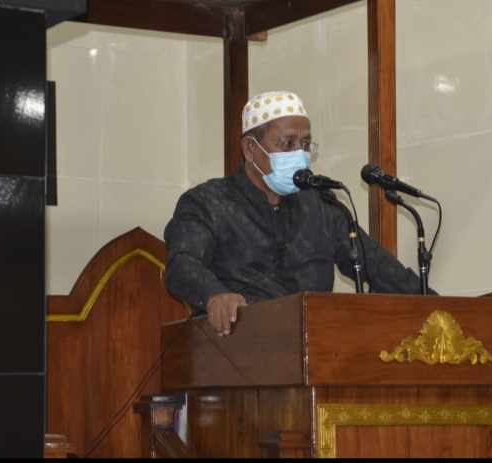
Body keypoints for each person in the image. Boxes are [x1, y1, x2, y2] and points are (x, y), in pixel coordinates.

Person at [163, 91, 434, 337]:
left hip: (316, 347)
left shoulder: (321, 205)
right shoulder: (208, 202)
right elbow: (182, 263)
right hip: (241, 348)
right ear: (250, 149)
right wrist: (214, 295)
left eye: (305, 145)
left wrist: (439, 308)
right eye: (287, 144)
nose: (299, 154)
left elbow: (377, 266)